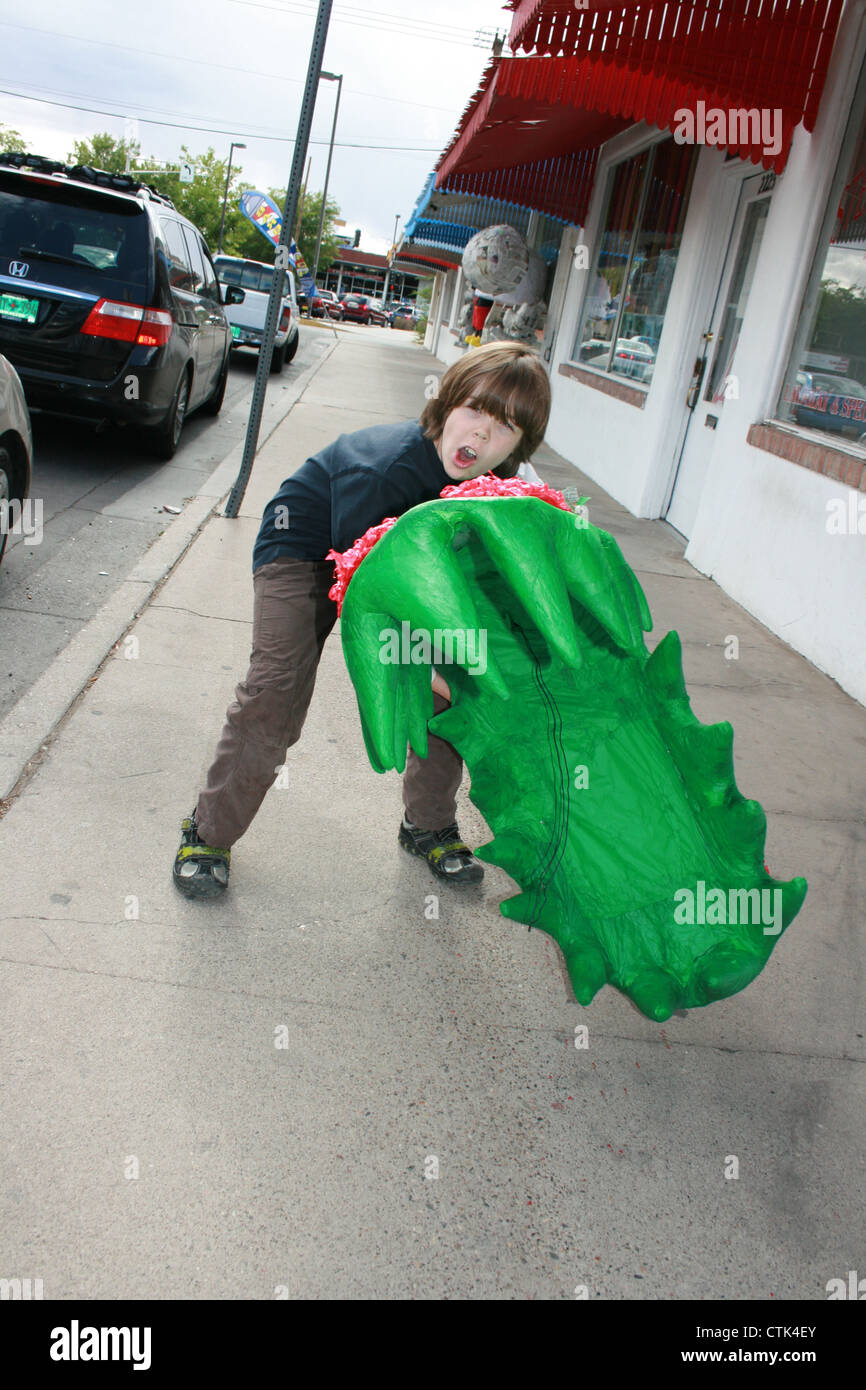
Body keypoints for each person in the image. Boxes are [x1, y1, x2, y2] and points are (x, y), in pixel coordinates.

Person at [173, 340, 551, 899]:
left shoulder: (498, 489)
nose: (479, 436)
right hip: (305, 548)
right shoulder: (385, 471)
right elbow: (364, 611)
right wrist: (429, 670)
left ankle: (426, 826)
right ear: (447, 404)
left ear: (520, 446)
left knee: (452, 692)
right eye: (474, 410)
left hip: (402, 572)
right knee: (276, 692)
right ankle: (206, 835)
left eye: (504, 429)